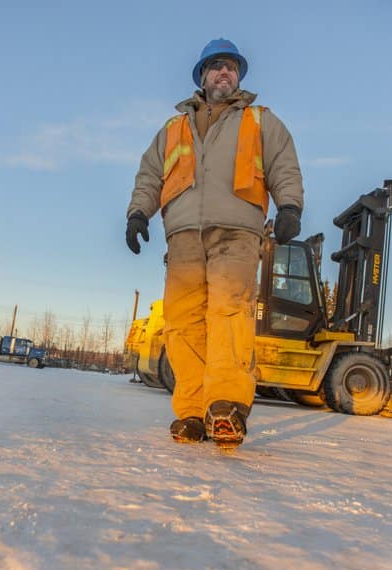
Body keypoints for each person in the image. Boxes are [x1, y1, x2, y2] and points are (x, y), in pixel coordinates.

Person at [126, 38, 303, 447]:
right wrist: (138, 214)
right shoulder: (172, 129)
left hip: (237, 231)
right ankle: (191, 411)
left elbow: (284, 164)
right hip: (184, 235)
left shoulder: (260, 121)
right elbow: (150, 176)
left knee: (228, 313)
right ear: (202, 77)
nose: (225, 73)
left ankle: (225, 405)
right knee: (183, 322)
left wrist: (290, 205)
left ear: (238, 78)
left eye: (232, 68)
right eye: (217, 66)